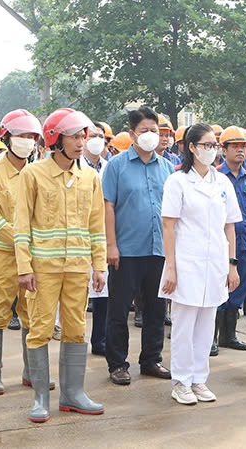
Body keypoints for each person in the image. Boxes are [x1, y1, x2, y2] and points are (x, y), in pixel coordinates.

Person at [15, 108, 106, 423]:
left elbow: (97, 226)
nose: (81, 142)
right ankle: (41, 397)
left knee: (76, 328)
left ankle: (72, 394)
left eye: (83, 135)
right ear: (56, 139)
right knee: (39, 329)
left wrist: (100, 266)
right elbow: (21, 224)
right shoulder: (33, 174)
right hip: (43, 268)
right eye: (74, 136)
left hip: (78, 267)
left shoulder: (90, 177)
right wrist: (24, 266)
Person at [160, 122, 241, 405]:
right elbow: (168, 226)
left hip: (215, 263)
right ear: (191, 148)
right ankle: (180, 382)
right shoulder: (177, 181)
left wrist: (232, 264)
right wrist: (171, 267)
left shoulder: (222, 182)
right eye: (206, 145)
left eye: (214, 145)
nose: (212, 150)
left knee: (207, 325)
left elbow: (229, 227)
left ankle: (199, 379)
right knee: (184, 326)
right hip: (185, 262)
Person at [0, 109, 50, 395]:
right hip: (2, 255)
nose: (27, 141)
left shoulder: (40, 171)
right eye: (21, 136)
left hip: (34, 258)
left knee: (32, 314)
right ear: (7, 138)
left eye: (32, 136)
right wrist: (22, 242)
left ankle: (31, 371)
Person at [102, 107, 174, 386]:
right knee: (119, 310)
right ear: (132, 134)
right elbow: (108, 206)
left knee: (157, 309)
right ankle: (118, 363)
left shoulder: (167, 167)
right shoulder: (117, 166)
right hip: (126, 251)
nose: (151, 136)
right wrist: (111, 245)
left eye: (155, 131)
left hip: (158, 250)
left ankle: (151, 359)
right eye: (145, 131)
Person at [214, 126, 246, 354]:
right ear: (225, 149)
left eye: (244, 146)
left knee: (239, 290)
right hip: (224, 241)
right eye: (236, 146)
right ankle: (212, 336)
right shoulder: (217, 177)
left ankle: (229, 335)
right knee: (220, 288)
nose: (241, 150)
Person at [81, 124, 110, 355]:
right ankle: (75, 339)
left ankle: (99, 340)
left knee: (103, 294)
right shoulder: (76, 166)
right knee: (77, 294)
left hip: (102, 237)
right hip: (78, 239)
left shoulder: (109, 168)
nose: (97, 140)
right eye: (93, 136)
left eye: (101, 137)